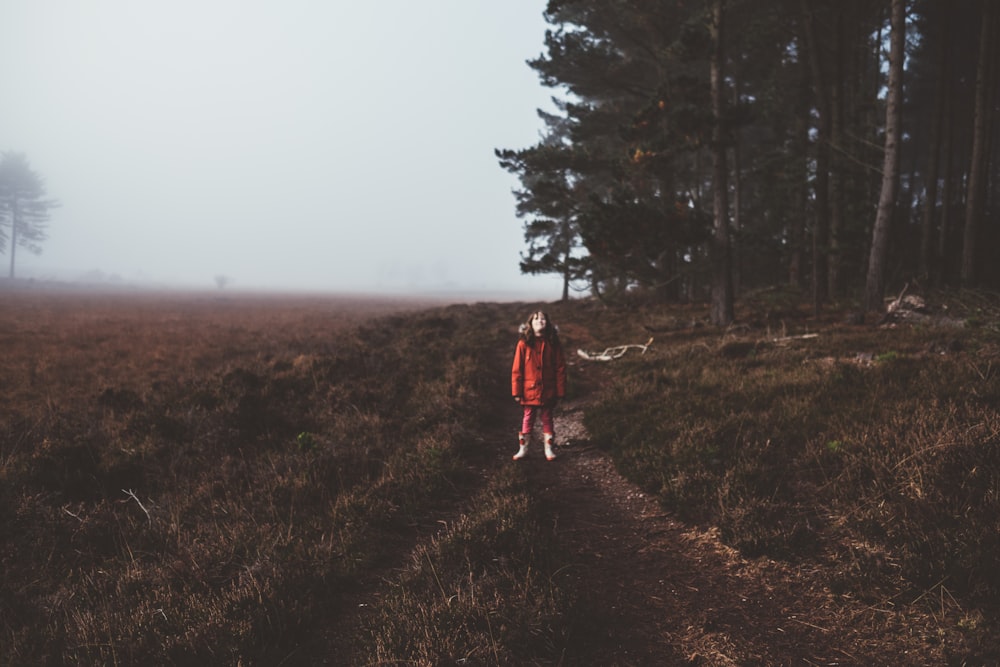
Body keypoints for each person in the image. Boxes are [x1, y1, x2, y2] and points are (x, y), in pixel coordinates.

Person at [511, 310, 567, 461]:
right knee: (528, 417)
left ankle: (549, 449)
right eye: (536, 319)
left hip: (548, 390)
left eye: (542, 319)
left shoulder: (553, 343)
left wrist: (560, 391)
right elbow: (517, 369)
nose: (539, 321)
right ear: (530, 324)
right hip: (528, 390)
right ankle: (523, 449)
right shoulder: (523, 343)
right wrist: (517, 392)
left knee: (547, 417)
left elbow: (560, 368)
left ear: (547, 323)